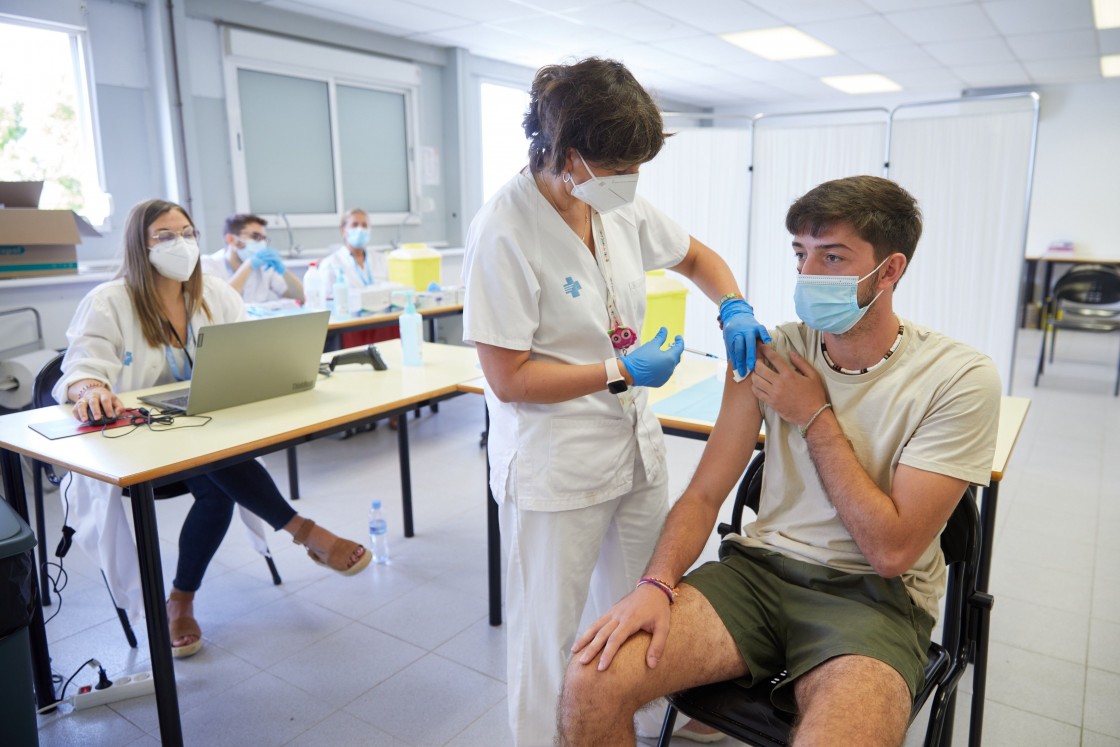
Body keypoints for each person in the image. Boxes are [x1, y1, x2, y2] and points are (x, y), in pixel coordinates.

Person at [557, 176, 1002, 746]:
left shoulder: (958, 379)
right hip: (757, 576)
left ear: (890, 271)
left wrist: (814, 415)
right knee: (591, 678)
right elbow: (704, 494)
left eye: (832, 257)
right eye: (800, 254)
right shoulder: (770, 353)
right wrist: (657, 581)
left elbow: (890, 551)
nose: (807, 275)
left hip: (872, 600)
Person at [461, 58, 769, 746]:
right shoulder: (504, 230)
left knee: (641, 603)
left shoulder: (615, 203)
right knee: (549, 638)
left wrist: (734, 305)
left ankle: (625, 724)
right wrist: (617, 368)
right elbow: (508, 377)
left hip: (631, 448)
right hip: (556, 464)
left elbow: (698, 259)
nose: (632, 180)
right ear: (570, 156)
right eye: (620, 164)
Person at [55, 198, 370, 659]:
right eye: (165, 235)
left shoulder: (215, 294)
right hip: (137, 450)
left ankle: (180, 600)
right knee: (219, 463)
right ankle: (305, 532)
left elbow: (245, 352)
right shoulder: (108, 301)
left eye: (187, 232)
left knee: (217, 478)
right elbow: (81, 367)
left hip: (207, 440)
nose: (180, 243)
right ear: (139, 246)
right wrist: (89, 391)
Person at [319, 208, 399, 349]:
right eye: (355, 225)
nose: (360, 229)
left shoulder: (380, 259)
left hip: (382, 322)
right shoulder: (330, 264)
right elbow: (324, 303)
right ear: (343, 230)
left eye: (364, 225)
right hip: (350, 327)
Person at [199, 213, 304, 304]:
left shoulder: (264, 266)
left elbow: (300, 298)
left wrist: (283, 270)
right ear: (231, 239)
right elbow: (220, 304)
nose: (262, 243)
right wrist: (248, 266)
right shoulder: (209, 265)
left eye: (264, 239)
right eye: (256, 237)